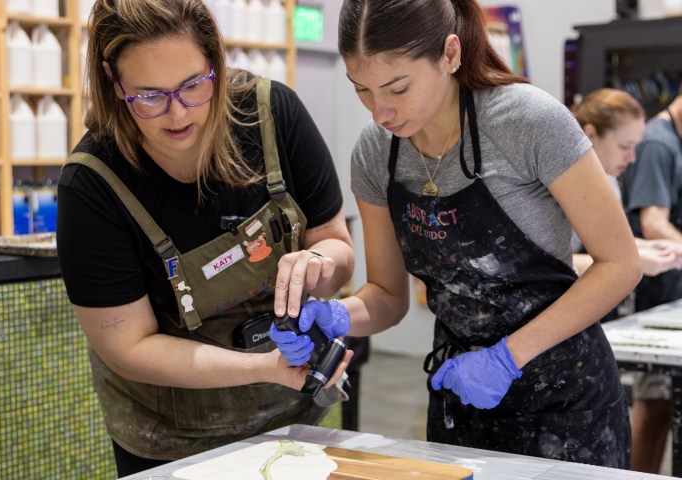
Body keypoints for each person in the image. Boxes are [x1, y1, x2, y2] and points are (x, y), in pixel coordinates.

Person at [270, 0, 642, 468]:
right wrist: (337, 316)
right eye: (361, 89)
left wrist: (507, 357)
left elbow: (620, 264)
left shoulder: (527, 123)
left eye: (397, 88)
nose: (380, 111)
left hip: (566, 400)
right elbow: (388, 295)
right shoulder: (375, 153)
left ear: (449, 54)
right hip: (459, 397)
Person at [56, 0, 354, 476]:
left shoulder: (273, 115)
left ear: (215, 62)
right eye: (149, 96)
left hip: (296, 421)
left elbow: (337, 244)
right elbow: (128, 348)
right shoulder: (93, 184)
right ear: (115, 84)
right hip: (171, 441)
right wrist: (262, 367)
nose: (177, 114)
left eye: (193, 86)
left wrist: (319, 264)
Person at [621, 84, 682, 474]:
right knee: (656, 405)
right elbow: (654, 223)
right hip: (656, 298)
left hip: (672, 295)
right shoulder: (658, 144)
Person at [570, 88, 682, 280]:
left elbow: (608, 241)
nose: (632, 158)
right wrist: (631, 262)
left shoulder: (609, 179)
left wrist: (652, 247)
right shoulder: (563, 184)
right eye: (624, 146)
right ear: (590, 134)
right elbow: (546, 266)